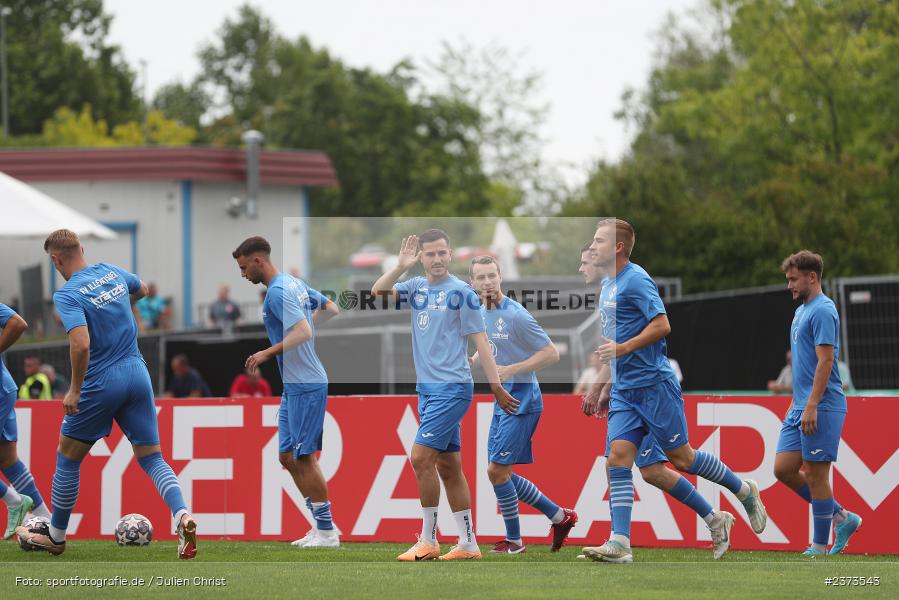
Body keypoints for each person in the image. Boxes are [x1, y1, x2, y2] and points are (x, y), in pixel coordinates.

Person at [580, 219, 766, 563]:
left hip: (655, 387)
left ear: (618, 247)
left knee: (682, 459)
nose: (592, 247)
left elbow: (662, 325)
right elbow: (614, 345)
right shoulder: (607, 285)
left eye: (598, 241)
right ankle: (620, 543)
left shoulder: (635, 279)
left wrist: (622, 349)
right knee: (619, 461)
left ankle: (743, 490)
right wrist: (599, 386)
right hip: (625, 391)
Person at [16, 229, 196, 558]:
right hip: (137, 372)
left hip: (101, 381)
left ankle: (56, 535)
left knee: (68, 457)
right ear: (82, 248)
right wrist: (115, 302)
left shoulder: (67, 294)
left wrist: (74, 389)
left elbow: (81, 342)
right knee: (152, 456)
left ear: (56, 260)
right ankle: (182, 514)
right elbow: (140, 289)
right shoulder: (111, 272)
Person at [372, 230, 520, 561]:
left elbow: (481, 341)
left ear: (450, 254)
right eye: (430, 254)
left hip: (452, 389)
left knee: (420, 458)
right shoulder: (415, 287)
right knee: (449, 467)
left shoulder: (463, 293)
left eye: (441, 253)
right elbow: (378, 292)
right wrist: (400, 266)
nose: (436, 259)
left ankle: (428, 539)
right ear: (421, 258)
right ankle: (468, 544)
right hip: (427, 391)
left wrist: (495, 385)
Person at [233, 236, 341, 549]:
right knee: (286, 456)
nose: (242, 275)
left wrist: (267, 353)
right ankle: (320, 525)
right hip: (293, 385)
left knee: (304, 457)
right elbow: (331, 308)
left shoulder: (278, 292)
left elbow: (304, 332)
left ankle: (327, 533)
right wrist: (305, 323)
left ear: (257, 261)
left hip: (306, 383)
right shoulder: (292, 283)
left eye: (243, 268)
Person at [469, 256, 577, 554]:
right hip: (502, 401)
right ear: (472, 283)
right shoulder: (479, 312)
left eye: (492, 276)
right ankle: (559, 516)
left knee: (496, 472)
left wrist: (512, 369)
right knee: (498, 472)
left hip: (523, 401)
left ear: (500, 277)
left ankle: (516, 542)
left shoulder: (516, 315)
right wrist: (473, 361)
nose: (488, 282)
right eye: (481, 277)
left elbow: (551, 353)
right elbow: (489, 346)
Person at [773, 251, 861, 555]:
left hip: (822, 405)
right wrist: (797, 403)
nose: (789, 286)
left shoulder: (824, 309)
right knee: (783, 469)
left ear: (812, 277)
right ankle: (842, 517)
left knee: (815, 474)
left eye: (793, 279)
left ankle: (820, 547)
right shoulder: (802, 311)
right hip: (800, 405)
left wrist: (811, 404)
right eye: (788, 280)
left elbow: (826, 362)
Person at [0, 303, 51, 539]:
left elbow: (17, 323)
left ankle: (13, 500)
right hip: (5, 387)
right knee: (8, 460)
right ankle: (49, 524)